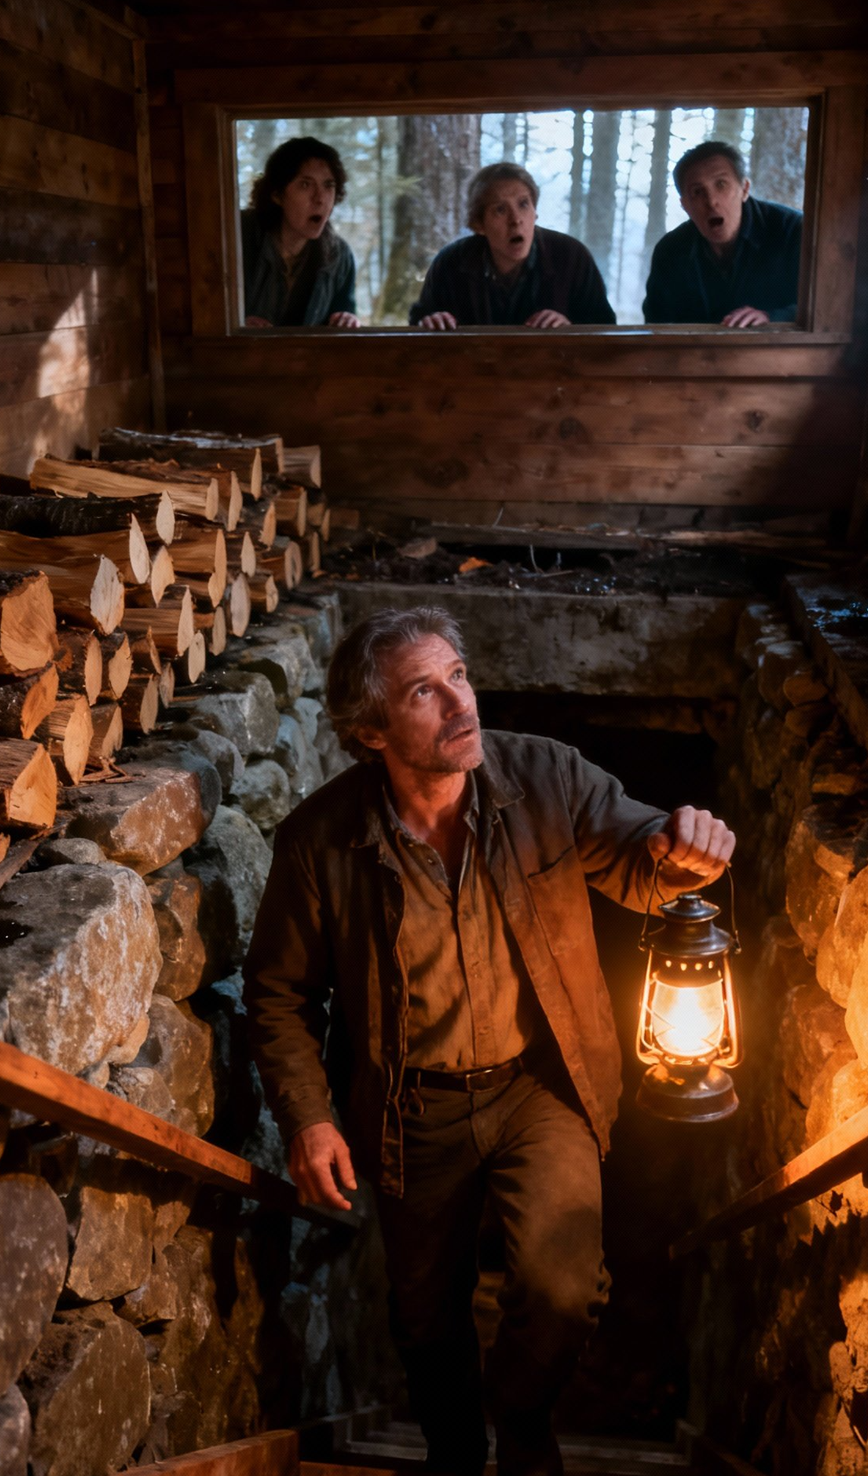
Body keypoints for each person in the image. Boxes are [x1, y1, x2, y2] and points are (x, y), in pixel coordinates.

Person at [244, 607, 735, 1476]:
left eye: (459, 675)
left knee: (563, 1289)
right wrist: (309, 1118)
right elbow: (280, 993)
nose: (459, 702)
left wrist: (682, 850)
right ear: (371, 731)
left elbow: (636, 849)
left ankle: (524, 1424)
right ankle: (455, 1451)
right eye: (423, 692)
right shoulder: (321, 841)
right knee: (426, 1316)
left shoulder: (546, 775)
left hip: (540, 1085)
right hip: (412, 1109)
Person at [409, 162, 615, 330]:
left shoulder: (571, 257)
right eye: (500, 209)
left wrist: (571, 329)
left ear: (535, 212)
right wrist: (430, 323)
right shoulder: (451, 263)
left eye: (523, 204)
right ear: (479, 224)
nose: (516, 220)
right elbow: (419, 327)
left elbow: (605, 330)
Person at [643, 140, 802, 327]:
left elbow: (825, 308)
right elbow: (657, 326)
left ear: (744, 189)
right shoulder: (670, 252)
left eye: (721, 184)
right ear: (685, 205)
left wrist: (773, 318)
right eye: (697, 192)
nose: (711, 201)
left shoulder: (794, 231)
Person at [241, 136, 359, 329]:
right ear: (277, 195)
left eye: (328, 185)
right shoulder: (238, 235)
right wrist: (236, 323)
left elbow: (345, 313)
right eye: (305, 184)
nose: (320, 198)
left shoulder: (339, 256)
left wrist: (347, 319)